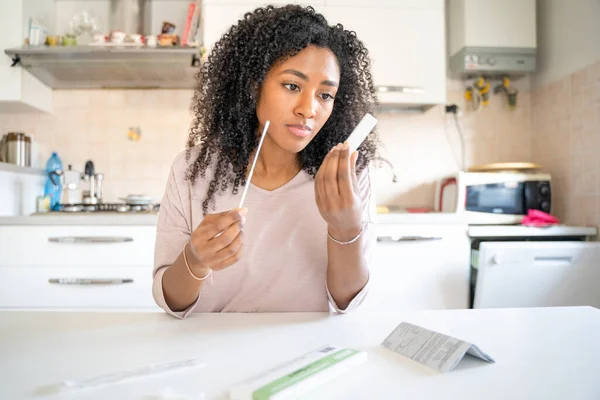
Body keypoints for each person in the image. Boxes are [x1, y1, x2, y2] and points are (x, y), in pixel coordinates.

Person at [153, 4, 379, 318]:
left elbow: (347, 302)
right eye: (292, 86)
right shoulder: (192, 171)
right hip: (212, 351)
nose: (308, 109)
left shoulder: (348, 177)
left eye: (325, 95)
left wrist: (346, 229)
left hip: (307, 352)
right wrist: (194, 260)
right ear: (253, 84)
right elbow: (171, 302)